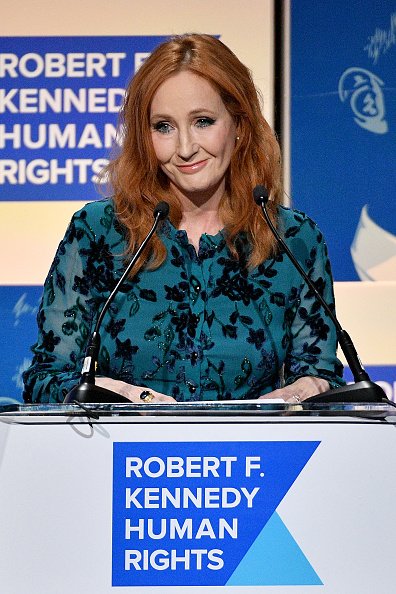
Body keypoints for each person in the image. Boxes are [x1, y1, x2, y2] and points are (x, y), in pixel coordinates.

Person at [23, 33, 344, 405]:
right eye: (164, 126)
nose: (186, 147)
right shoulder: (98, 232)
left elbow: (322, 378)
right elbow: (46, 380)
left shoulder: (293, 239)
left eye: (203, 121)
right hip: (123, 460)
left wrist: (296, 396)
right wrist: (130, 397)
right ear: (145, 137)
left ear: (239, 125)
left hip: (255, 460)